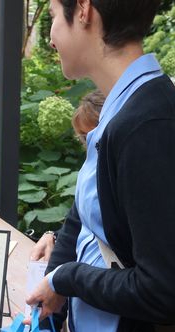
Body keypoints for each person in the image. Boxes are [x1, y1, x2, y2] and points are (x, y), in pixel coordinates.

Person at [26, 1, 175, 332]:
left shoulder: (149, 126)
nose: (49, 36)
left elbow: (166, 292)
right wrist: (55, 290)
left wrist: (67, 278)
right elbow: (84, 214)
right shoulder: (124, 108)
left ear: (83, 10)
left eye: (50, 19)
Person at [29, 89, 105, 262]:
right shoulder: (91, 171)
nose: (90, 144)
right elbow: (81, 224)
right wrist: (53, 236)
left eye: (95, 136)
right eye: (84, 138)